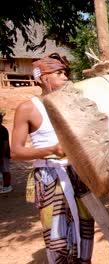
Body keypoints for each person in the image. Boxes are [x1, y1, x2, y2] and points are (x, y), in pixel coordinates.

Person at [11, 53, 94, 263]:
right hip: (49, 177)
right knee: (57, 239)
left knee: (85, 231)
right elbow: (16, 152)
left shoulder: (71, 104)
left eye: (65, 73)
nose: (65, 77)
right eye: (59, 73)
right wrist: (51, 150)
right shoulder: (28, 108)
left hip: (78, 175)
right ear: (43, 78)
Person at [0, 112, 12, 193]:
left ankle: (7, 186)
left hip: (3, 154)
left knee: (5, 171)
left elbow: (5, 144)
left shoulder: (3, 130)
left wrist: (1, 156)